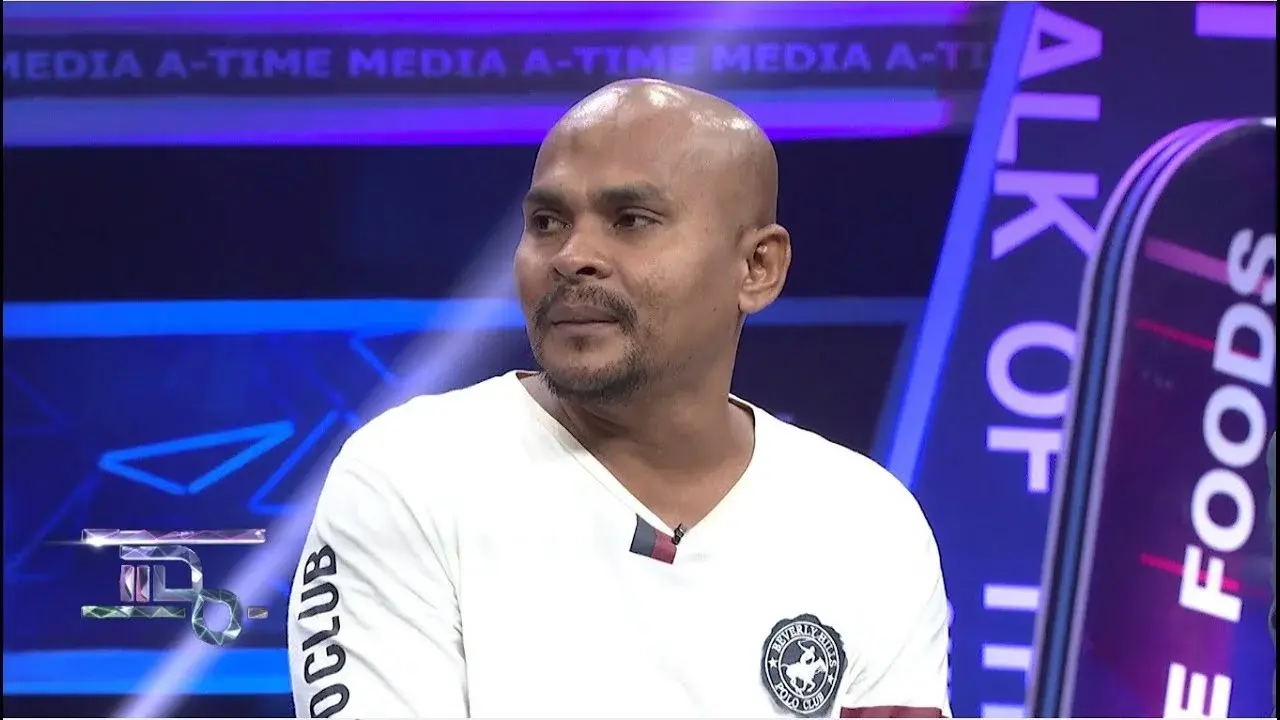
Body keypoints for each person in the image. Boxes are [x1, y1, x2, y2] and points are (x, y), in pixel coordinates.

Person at [287, 79, 951, 719]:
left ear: (758, 268)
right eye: (547, 222)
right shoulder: (412, 475)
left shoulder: (869, 523)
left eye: (631, 220)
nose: (572, 256)